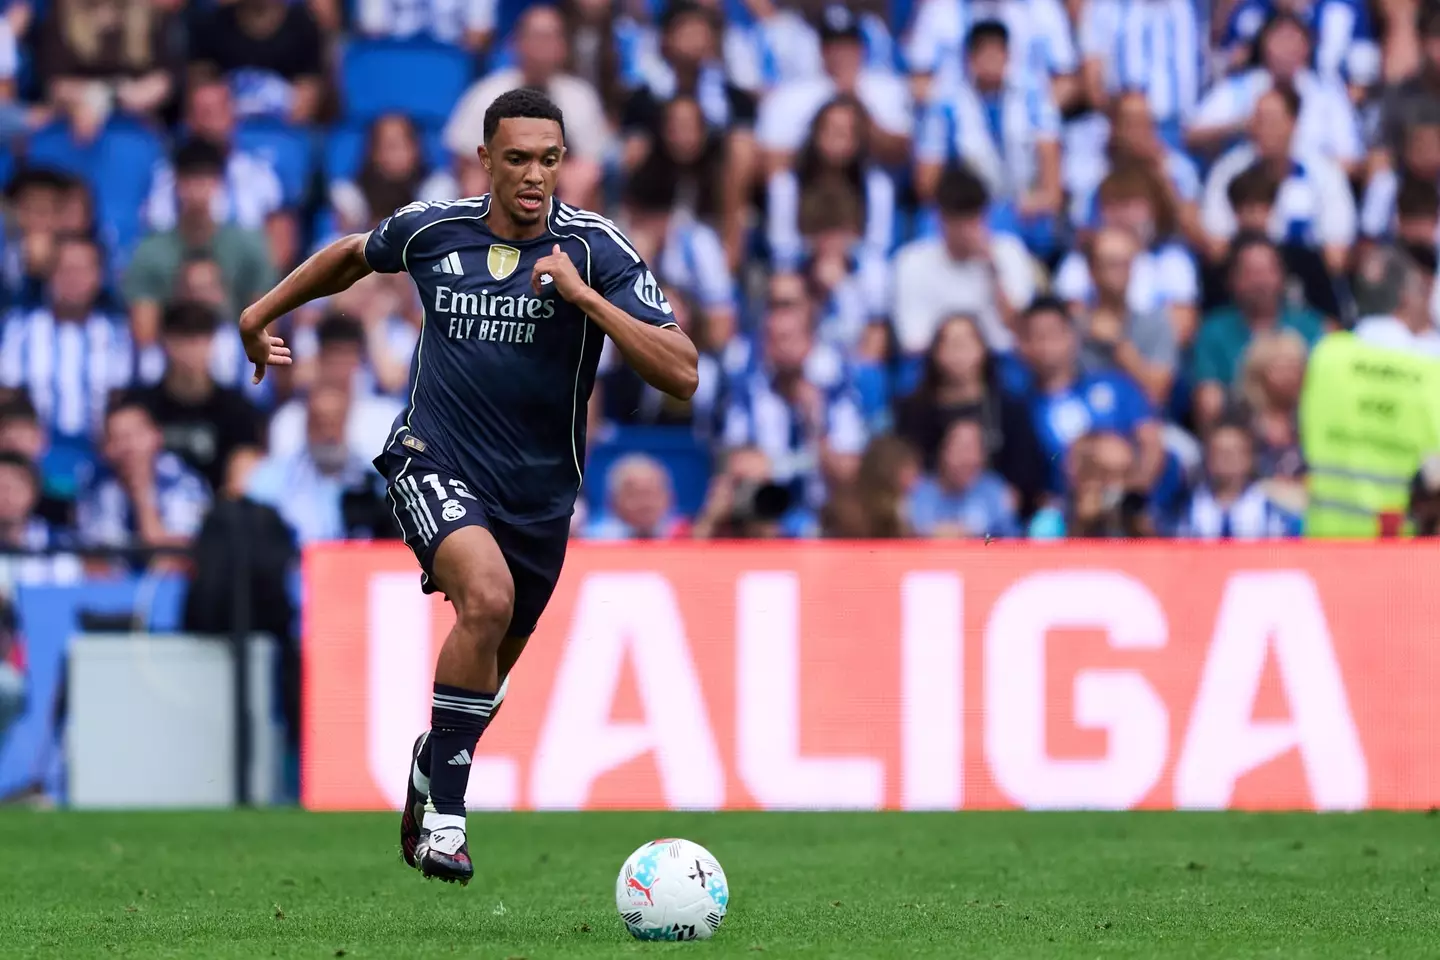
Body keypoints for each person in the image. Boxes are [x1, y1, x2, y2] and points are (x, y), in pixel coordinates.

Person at [238, 88, 698, 884]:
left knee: (492, 666)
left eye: (548, 159)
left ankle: (432, 765)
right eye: (516, 158)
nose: (533, 175)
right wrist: (262, 311)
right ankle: (446, 820)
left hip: (541, 498)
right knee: (483, 600)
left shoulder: (595, 250)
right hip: (433, 459)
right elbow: (352, 253)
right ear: (484, 159)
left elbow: (683, 372)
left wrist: (587, 301)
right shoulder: (432, 229)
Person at [127, 301, 264, 492]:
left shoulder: (237, 409)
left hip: (217, 514)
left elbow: (242, 476)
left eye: (201, 339)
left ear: (212, 343)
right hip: (150, 509)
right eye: (183, 339)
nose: (192, 350)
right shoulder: (139, 407)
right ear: (165, 343)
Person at [1179, 418, 1301, 538]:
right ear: (1209, 458)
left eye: (1233, 453)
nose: (1227, 459)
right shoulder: (1190, 509)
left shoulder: (1268, 511)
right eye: (1220, 452)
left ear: (1248, 458)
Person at [907, 417, 1019, 538]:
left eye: (974, 449)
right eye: (961, 449)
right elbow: (914, 535)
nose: (967, 459)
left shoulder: (995, 491)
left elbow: (1009, 541)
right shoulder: (920, 492)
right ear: (943, 452)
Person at [582, 453, 689, 540]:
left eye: (652, 494)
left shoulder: (687, 537)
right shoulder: (591, 540)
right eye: (635, 495)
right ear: (612, 501)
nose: (645, 504)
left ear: (670, 497)